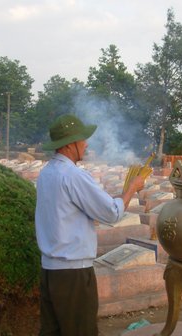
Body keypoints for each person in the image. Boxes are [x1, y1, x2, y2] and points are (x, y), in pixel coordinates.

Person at [35, 114, 145, 336]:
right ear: (69, 144)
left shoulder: (47, 173)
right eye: (82, 139)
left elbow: (71, 211)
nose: (86, 144)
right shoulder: (73, 175)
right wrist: (132, 188)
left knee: (52, 330)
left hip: (50, 270)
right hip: (73, 273)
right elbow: (112, 213)